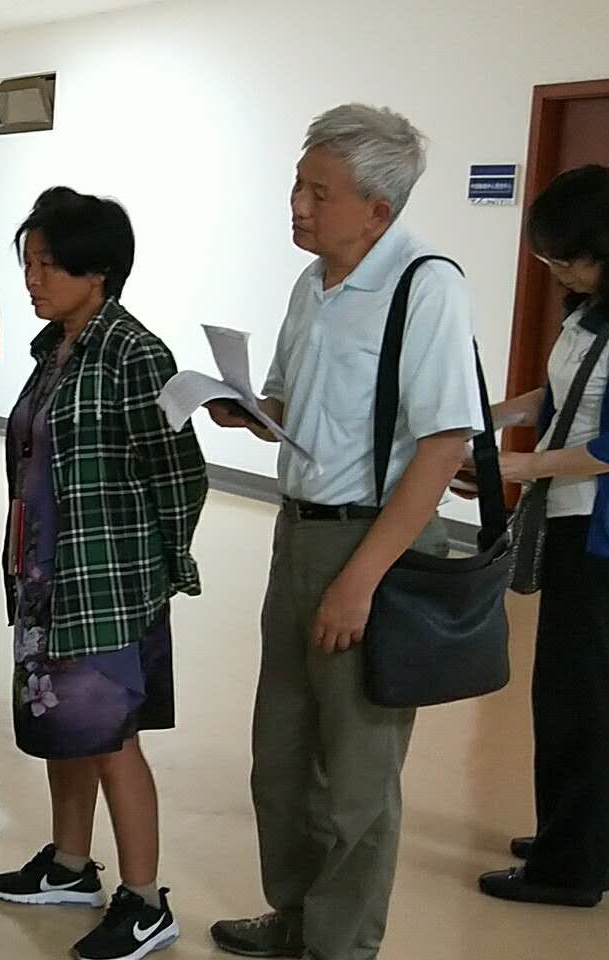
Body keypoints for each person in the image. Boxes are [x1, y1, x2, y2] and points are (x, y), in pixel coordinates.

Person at [205, 104, 483, 960]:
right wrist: (252, 412)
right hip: (298, 535)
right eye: (298, 185)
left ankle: (342, 945)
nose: (297, 205)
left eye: (318, 193)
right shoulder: (313, 286)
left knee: (359, 770)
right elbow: (295, 405)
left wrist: (359, 582)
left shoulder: (425, 287)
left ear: (377, 209)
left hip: (376, 548)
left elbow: (443, 446)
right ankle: (295, 914)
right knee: (282, 753)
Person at [0, 188, 208, 960]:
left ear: (99, 271)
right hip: (46, 574)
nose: (32, 279)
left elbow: (180, 473)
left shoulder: (135, 354)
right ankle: (70, 865)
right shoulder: (55, 348)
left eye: (49, 264)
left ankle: (146, 902)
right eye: (28, 263)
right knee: (66, 722)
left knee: (111, 736)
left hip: (104, 580)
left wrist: (160, 569)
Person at [474, 165, 609, 907]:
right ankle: (597, 838)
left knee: (578, 695)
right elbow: (568, 395)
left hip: (604, 526)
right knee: (583, 688)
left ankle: (570, 868)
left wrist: (523, 466)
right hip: (572, 513)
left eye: (567, 259)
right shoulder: (597, 304)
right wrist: (492, 420)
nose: (558, 273)